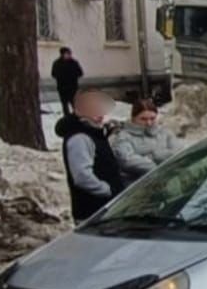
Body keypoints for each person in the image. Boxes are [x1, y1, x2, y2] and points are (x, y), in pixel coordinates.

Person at [55, 88, 125, 223]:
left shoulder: (95, 132)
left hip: (107, 210)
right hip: (93, 214)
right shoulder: (80, 138)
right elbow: (82, 177)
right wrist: (108, 190)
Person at [112, 98, 182, 184]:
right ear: (133, 118)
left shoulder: (164, 132)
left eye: (152, 118)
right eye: (143, 119)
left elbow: (178, 152)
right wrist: (156, 166)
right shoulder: (123, 137)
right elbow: (127, 161)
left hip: (170, 180)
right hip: (139, 185)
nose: (149, 123)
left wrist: (153, 156)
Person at [51, 47, 84, 115]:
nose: (68, 55)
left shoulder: (74, 63)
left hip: (72, 87)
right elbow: (53, 74)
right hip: (62, 87)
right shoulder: (57, 63)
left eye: (69, 54)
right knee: (64, 104)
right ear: (62, 54)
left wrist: (73, 75)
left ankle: (76, 116)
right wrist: (61, 76)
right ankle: (67, 117)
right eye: (66, 54)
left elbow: (80, 73)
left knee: (74, 103)